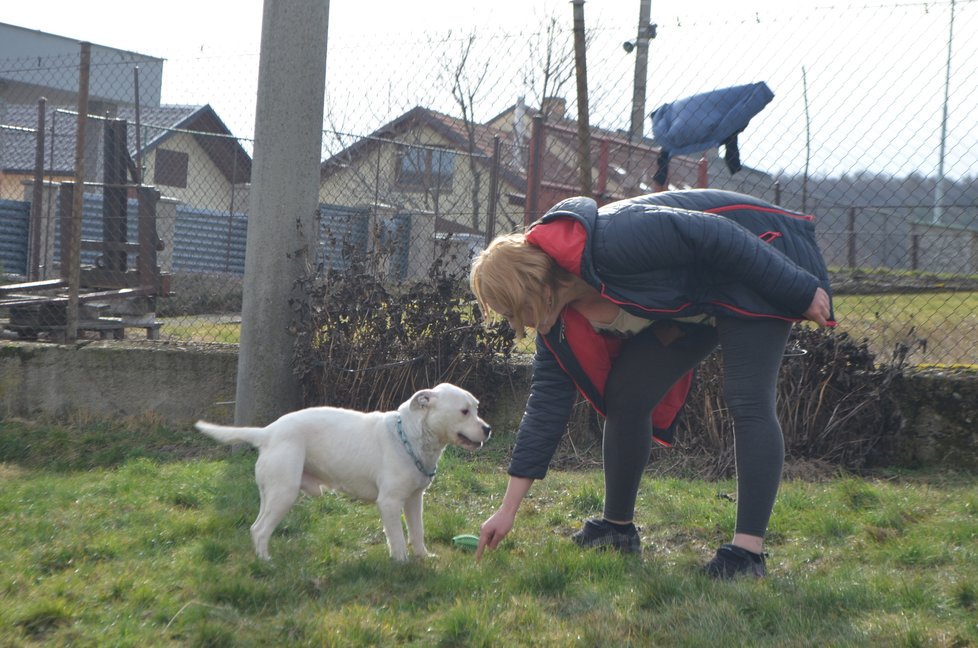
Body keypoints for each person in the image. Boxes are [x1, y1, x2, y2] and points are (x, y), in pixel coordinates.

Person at [469, 189, 834, 579]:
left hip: (757, 258)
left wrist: (797, 287)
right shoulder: (556, 318)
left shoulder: (614, 239)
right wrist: (507, 510)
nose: (517, 326)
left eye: (514, 312)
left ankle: (747, 555)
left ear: (536, 288)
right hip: (696, 303)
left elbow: (717, 235)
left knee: (747, 399)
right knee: (626, 395)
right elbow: (544, 408)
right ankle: (617, 529)